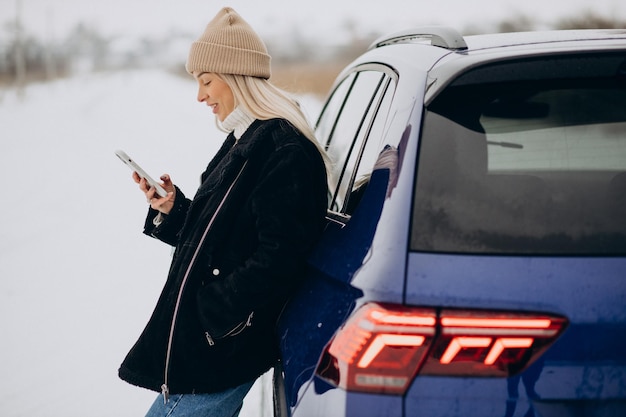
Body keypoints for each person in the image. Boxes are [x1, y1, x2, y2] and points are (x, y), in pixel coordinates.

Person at [118, 7, 329, 417]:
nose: (200, 96)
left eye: (206, 81)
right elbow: (223, 234)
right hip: (208, 344)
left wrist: (214, 309)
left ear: (236, 77)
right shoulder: (245, 138)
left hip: (222, 346)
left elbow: (280, 258)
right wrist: (173, 208)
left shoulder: (285, 151)